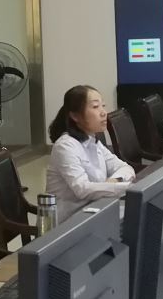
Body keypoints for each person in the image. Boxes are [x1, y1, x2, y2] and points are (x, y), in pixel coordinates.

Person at [45, 85, 136, 222]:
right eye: (95, 107)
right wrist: (125, 187)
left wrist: (114, 181)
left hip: (94, 210)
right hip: (68, 222)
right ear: (75, 116)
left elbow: (126, 168)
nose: (103, 112)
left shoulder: (92, 141)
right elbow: (82, 189)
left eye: (103, 106)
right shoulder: (65, 146)